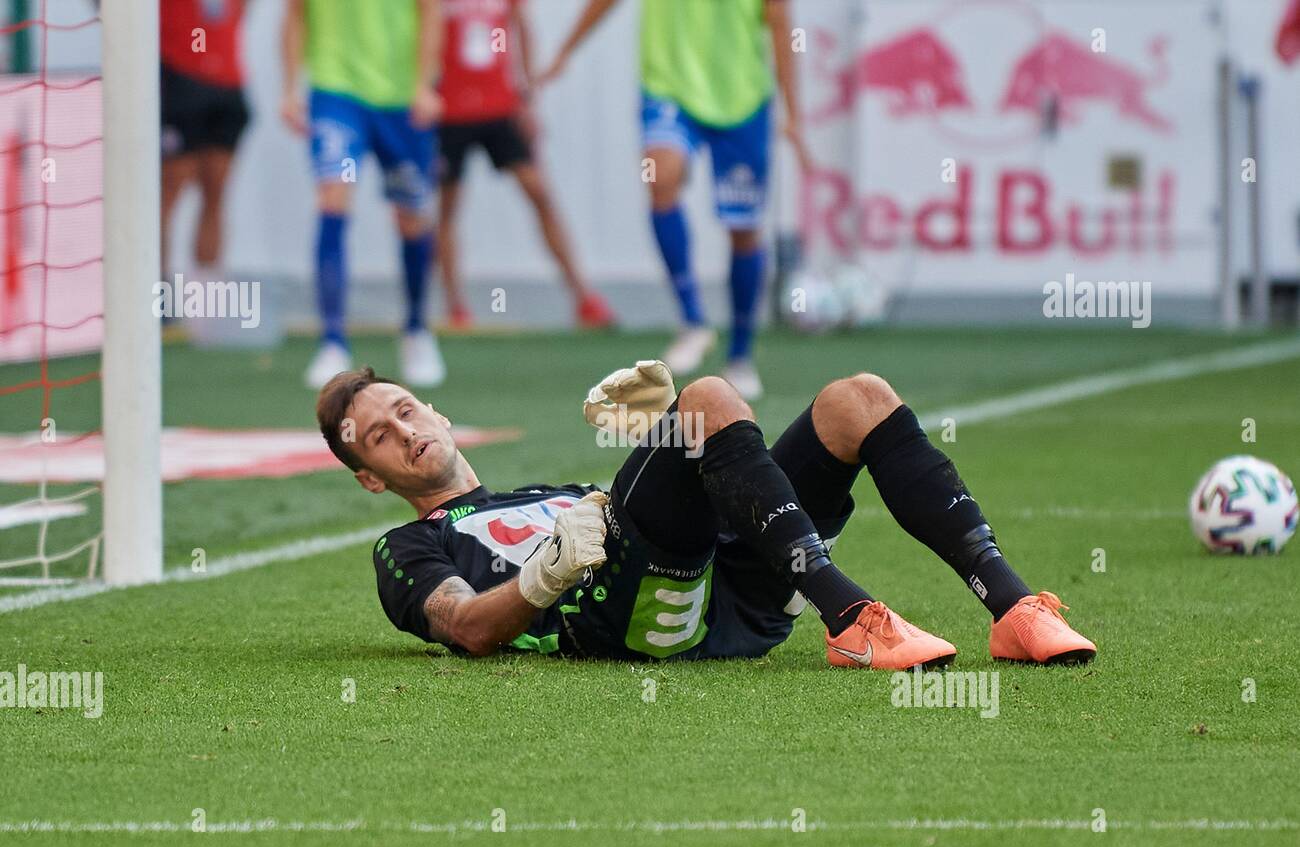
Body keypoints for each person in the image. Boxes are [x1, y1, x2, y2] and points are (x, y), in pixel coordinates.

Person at [315, 360, 1097, 668]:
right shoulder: (405, 546)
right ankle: (851, 618)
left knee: (855, 402)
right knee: (709, 397)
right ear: (370, 480)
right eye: (380, 437)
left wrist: (676, 440)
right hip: (634, 619)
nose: (407, 433)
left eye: (408, 411)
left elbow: (669, 495)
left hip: (727, 589)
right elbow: (464, 628)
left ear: (441, 415)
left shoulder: (541, 489)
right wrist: (544, 578)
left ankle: (1012, 607)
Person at [540, 0, 812, 400]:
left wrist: (793, 112)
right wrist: (566, 50)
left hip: (742, 99)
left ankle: (739, 355)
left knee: (744, 230)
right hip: (668, 88)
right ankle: (692, 319)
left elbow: (781, 24)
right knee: (659, 176)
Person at [281, 0, 446, 389]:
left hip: (401, 98)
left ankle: (417, 329)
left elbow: (431, 12)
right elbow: (294, 14)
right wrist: (289, 88)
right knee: (332, 199)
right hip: (335, 91)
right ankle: (333, 342)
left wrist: (424, 84)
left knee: (411, 218)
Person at [437, 0, 615, 330]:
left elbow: (522, 28)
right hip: (450, 110)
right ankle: (455, 307)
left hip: (500, 106)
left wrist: (528, 96)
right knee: (447, 207)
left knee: (540, 193)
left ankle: (583, 296)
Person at [160, 0, 249, 300]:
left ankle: (207, 301)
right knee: (166, 194)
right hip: (179, 79)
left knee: (216, 195)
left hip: (227, 84)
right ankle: (157, 301)